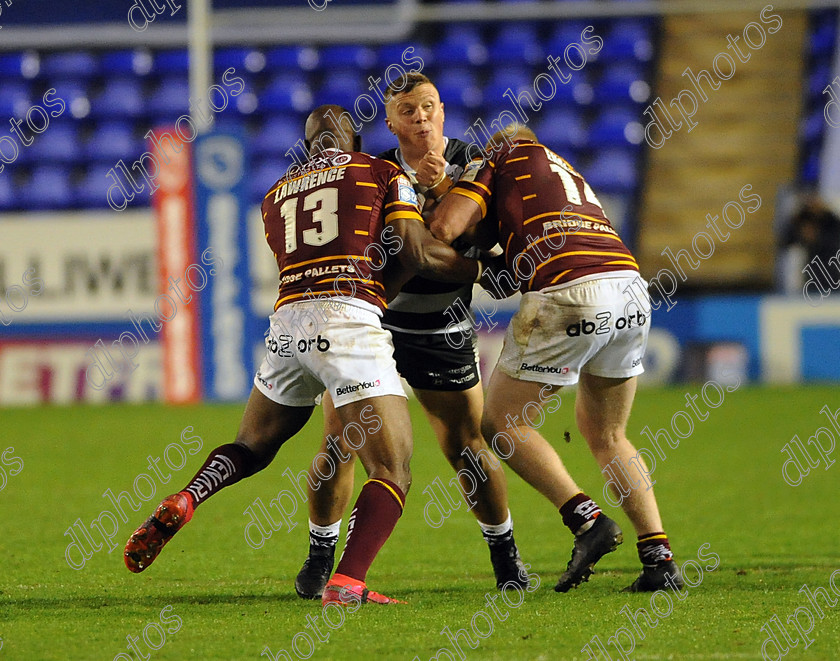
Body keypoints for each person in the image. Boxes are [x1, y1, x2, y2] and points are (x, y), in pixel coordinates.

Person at [123, 105, 487, 606]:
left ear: (308, 142)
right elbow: (416, 252)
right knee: (393, 468)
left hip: (288, 323)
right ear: (354, 141)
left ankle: (189, 496)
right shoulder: (380, 171)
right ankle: (347, 582)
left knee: (251, 445)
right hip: (347, 321)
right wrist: (481, 270)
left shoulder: (276, 194)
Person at [294, 74, 526, 599]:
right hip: (375, 324)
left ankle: (505, 553)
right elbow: (387, 244)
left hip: (442, 325)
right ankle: (319, 554)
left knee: (465, 446)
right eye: (407, 110)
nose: (420, 117)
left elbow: (483, 235)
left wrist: (442, 193)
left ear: (442, 111)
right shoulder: (370, 172)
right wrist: (422, 196)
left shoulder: (475, 164)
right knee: (338, 443)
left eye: (428, 107)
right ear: (391, 122)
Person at [429, 125, 684, 593]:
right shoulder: (564, 167)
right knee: (608, 433)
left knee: (501, 422)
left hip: (572, 290)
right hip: (629, 289)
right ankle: (659, 559)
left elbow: (446, 227)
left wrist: (445, 190)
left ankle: (587, 521)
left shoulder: (499, 159)